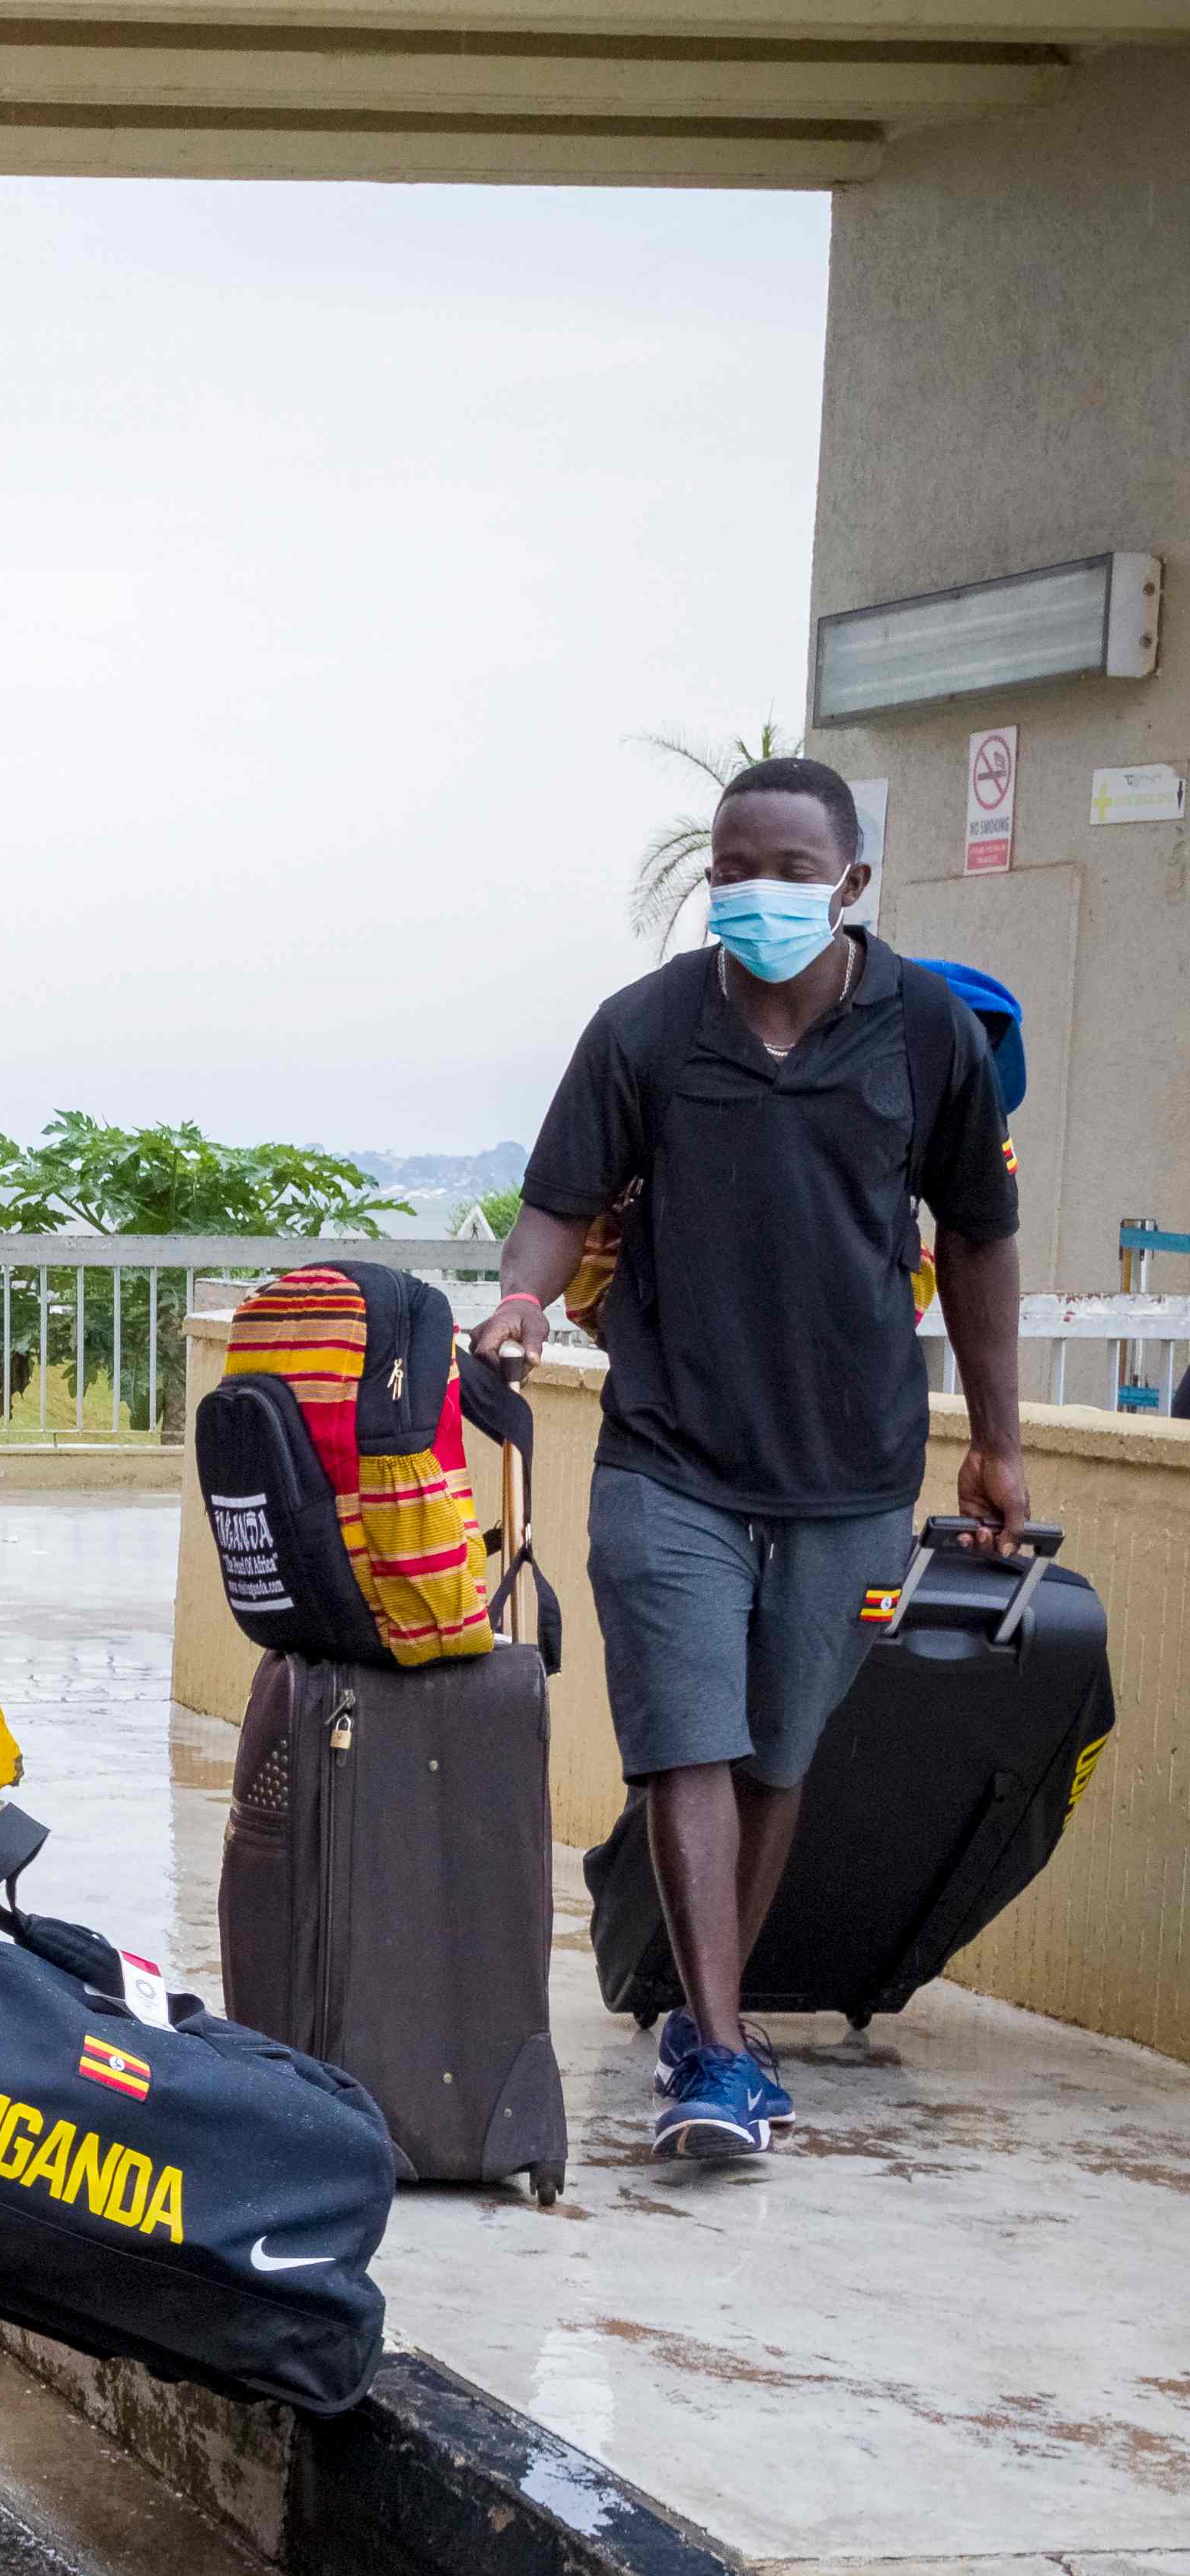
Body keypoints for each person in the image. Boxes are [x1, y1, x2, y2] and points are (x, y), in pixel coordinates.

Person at [480, 754, 1026, 2165]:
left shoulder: (924, 1039)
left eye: (789, 870)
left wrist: (999, 1446)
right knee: (686, 1743)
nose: (755, 890)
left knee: (777, 1752)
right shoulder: (644, 1032)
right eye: (732, 866)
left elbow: (976, 1236)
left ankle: (703, 2018)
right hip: (669, 1450)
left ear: (849, 885)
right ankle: (719, 2053)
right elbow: (559, 1202)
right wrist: (522, 1298)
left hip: (853, 1464)